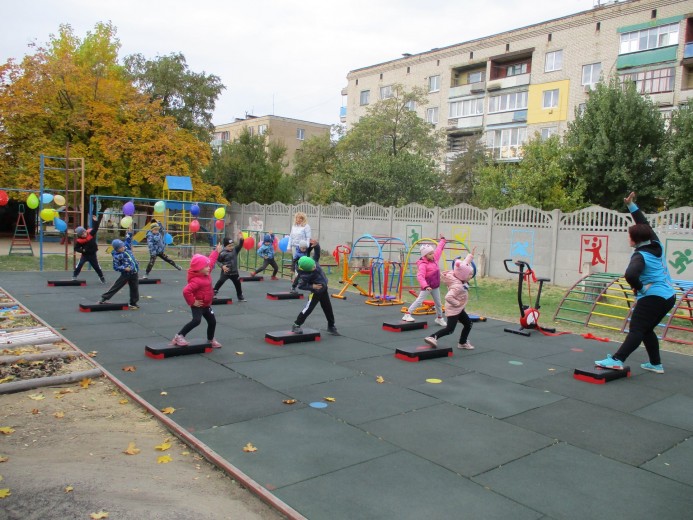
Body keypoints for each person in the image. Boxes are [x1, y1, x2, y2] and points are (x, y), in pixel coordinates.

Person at [595, 192, 676, 374]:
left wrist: (641, 288)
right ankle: (656, 364)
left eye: (630, 236)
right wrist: (631, 206)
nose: (628, 238)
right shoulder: (656, 243)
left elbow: (630, 275)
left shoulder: (640, 255)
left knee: (637, 329)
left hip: (653, 297)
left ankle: (617, 360)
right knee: (646, 329)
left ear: (635, 240)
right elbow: (643, 224)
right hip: (669, 296)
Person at [171, 243, 223, 348]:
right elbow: (186, 291)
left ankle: (210, 339)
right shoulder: (196, 280)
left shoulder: (206, 272)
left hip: (206, 304)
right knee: (196, 321)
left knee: (212, 321)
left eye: (208, 267)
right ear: (198, 269)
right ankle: (179, 336)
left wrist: (216, 251)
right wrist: (193, 301)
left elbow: (211, 261)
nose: (209, 268)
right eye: (206, 267)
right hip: (198, 304)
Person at [425, 248, 477, 349]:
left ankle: (462, 343)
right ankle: (432, 337)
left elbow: (464, 264)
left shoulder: (458, 275)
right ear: (463, 276)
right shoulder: (458, 286)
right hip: (454, 309)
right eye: (469, 275)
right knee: (450, 329)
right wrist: (457, 303)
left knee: (468, 323)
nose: (471, 276)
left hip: (458, 308)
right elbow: (448, 297)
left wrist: (470, 256)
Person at [402, 236, 447, 326]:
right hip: (427, 287)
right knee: (419, 301)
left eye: (432, 253)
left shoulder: (434, 259)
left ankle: (439, 318)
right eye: (430, 254)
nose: (432, 255)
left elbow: (438, 250)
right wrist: (426, 286)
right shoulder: (423, 264)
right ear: (425, 255)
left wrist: (442, 240)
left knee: (438, 303)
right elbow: (420, 276)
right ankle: (407, 314)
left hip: (435, 286)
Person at [291, 255, 339, 336]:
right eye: (312, 268)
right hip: (315, 292)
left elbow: (317, 252)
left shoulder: (313, 262)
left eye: (314, 265)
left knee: (328, 308)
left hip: (323, 289)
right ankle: (296, 325)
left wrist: (316, 246)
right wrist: (312, 286)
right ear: (306, 269)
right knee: (308, 309)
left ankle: (331, 326)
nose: (315, 267)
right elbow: (301, 286)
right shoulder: (305, 275)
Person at [100, 230, 139, 309]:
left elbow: (128, 240)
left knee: (134, 288)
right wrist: (124, 268)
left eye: (123, 246)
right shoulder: (117, 256)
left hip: (134, 273)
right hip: (126, 274)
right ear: (117, 249)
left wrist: (129, 232)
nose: (123, 248)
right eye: (121, 247)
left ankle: (133, 303)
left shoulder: (126, 247)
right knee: (117, 286)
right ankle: (104, 298)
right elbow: (115, 267)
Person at [73, 214, 106, 283]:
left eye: (84, 232)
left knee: (96, 267)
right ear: (80, 235)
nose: (84, 234)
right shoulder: (79, 241)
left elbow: (95, 228)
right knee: (79, 265)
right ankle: (74, 276)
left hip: (92, 254)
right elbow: (76, 248)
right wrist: (82, 250)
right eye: (82, 234)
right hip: (85, 255)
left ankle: (101, 277)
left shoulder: (91, 234)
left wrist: (96, 221)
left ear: (86, 231)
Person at [214, 232, 246, 302]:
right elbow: (217, 261)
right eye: (229, 246)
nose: (231, 247)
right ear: (225, 246)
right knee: (221, 281)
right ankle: (214, 292)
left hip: (234, 272)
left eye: (232, 245)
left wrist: (241, 239)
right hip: (226, 272)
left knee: (238, 284)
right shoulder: (222, 253)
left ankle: (240, 296)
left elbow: (240, 245)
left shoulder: (235, 250)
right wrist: (222, 266)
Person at [289, 211, 311, 282]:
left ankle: (303, 277)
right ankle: (296, 277)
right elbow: (291, 236)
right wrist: (289, 246)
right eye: (297, 218)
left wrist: (306, 245)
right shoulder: (294, 226)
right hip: (294, 246)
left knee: (302, 262)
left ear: (303, 219)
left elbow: (308, 237)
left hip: (302, 247)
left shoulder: (306, 226)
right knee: (295, 261)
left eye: (300, 218)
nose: (298, 220)